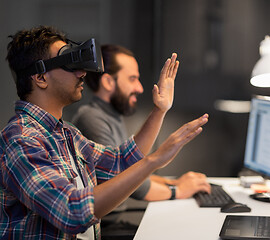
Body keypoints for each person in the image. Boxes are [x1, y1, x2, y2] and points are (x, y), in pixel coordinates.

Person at [0, 25, 209, 239]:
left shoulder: (67, 134)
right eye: (69, 65)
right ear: (41, 77)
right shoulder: (20, 139)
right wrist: (154, 160)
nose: (82, 73)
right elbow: (71, 210)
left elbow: (120, 163)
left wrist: (160, 110)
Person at [72, 45, 211, 205]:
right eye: (132, 79)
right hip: (110, 226)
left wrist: (175, 183)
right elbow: (123, 178)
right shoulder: (91, 118)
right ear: (108, 82)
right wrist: (177, 191)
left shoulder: (111, 115)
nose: (140, 88)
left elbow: (128, 168)